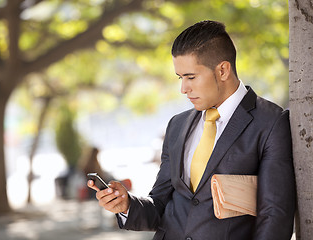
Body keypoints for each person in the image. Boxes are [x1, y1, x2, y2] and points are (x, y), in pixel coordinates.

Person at [87, 20, 296, 240]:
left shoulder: (270, 122)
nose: (183, 88)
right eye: (180, 77)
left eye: (191, 77)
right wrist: (127, 204)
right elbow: (160, 205)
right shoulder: (177, 125)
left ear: (223, 70)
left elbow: (275, 215)